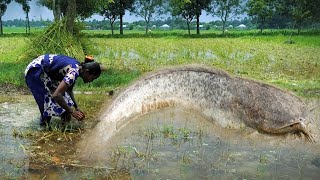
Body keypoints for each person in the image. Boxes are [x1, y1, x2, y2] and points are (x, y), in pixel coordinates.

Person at [24, 54, 102, 127]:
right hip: (35, 70)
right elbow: (56, 95)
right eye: (93, 78)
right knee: (46, 105)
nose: (92, 81)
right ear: (87, 72)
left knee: (66, 104)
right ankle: (43, 128)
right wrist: (72, 112)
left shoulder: (78, 68)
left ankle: (63, 127)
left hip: (47, 72)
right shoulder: (73, 73)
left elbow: (69, 91)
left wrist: (76, 107)